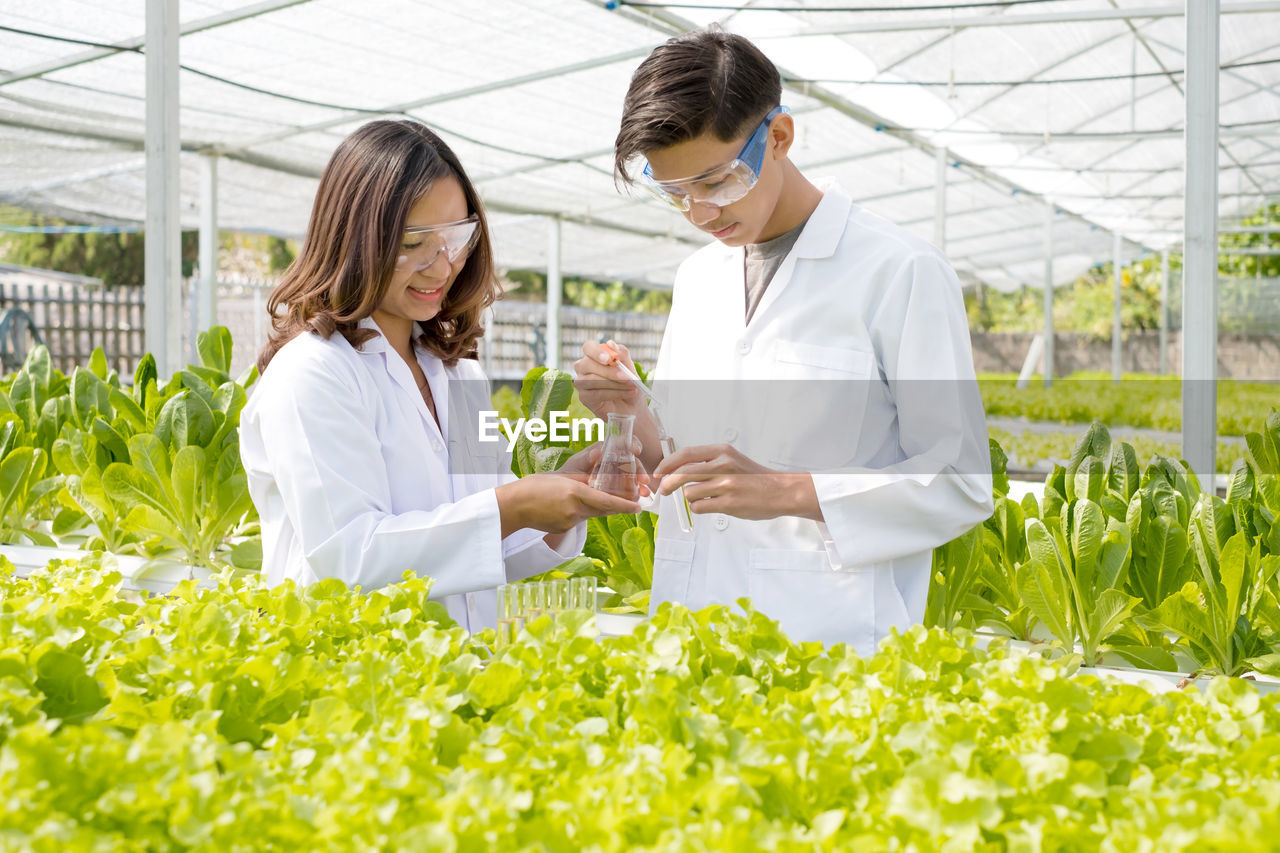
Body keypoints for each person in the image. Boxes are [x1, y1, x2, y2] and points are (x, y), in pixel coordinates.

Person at [573, 29, 993, 653]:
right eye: (676, 193)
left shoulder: (899, 271)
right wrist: (632, 411)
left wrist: (788, 492)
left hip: (832, 644)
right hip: (689, 634)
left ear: (779, 137)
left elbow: (959, 481)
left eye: (716, 181)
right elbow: (686, 464)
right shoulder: (698, 279)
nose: (701, 213)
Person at [240, 119, 641, 632]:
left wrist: (565, 494)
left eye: (456, 237)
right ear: (352, 239)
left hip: (456, 675)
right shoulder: (314, 373)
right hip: (354, 675)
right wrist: (510, 506)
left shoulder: (459, 374)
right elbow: (346, 562)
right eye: (413, 242)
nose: (441, 265)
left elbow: (496, 548)